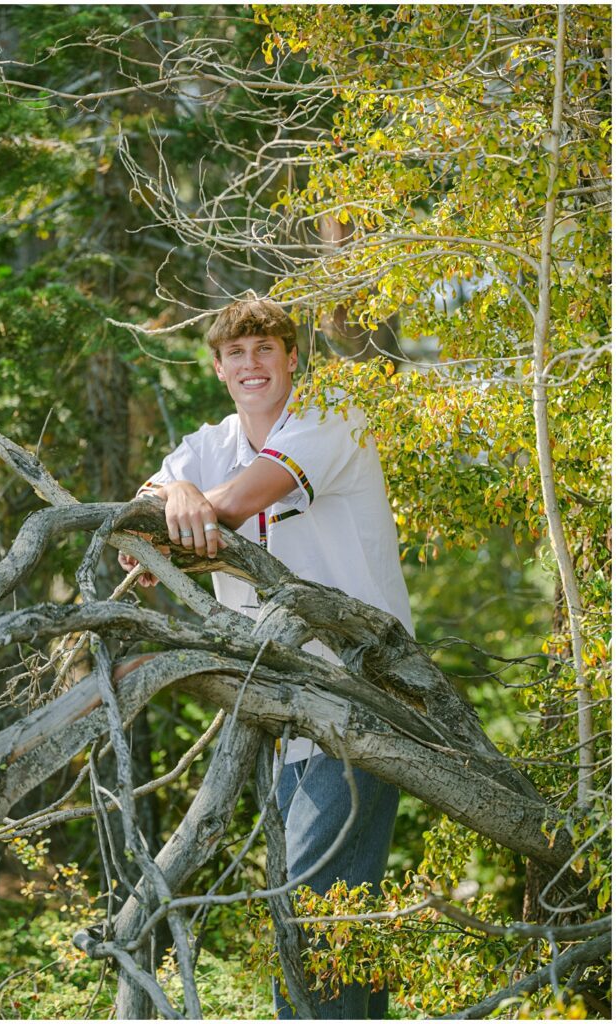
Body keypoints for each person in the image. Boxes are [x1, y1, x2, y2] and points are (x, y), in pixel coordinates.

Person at [119, 298, 413, 1019]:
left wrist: (183, 515)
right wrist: (174, 491)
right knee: (317, 913)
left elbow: (240, 501)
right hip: (280, 706)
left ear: (289, 358)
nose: (251, 364)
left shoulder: (330, 417)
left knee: (315, 908)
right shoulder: (210, 443)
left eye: (265, 349)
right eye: (236, 353)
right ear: (217, 368)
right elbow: (143, 509)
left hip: (358, 694)